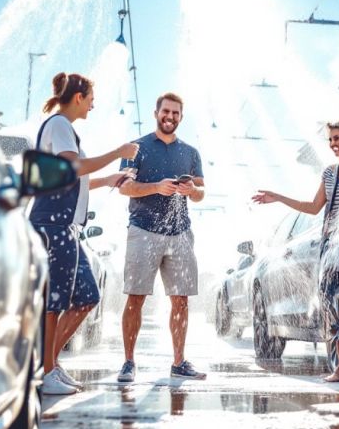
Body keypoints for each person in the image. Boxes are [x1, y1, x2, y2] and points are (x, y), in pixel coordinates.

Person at [30, 72, 139, 395]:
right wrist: (117, 150)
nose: (94, 104)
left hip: (65, 226)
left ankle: (51, 364)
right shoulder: (60, 125)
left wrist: (108, 179)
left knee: (86, 296)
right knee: (54, 303)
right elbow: (72, 168)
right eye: (91, 97)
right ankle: (47, 370)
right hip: (53, 222)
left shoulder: (62, 128)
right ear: (78, 97)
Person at [251, 120, 339, 382]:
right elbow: (313, 207)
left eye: (338, 139)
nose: (333, 144)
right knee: (331, 307)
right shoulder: (329, 173)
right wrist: (278, 197)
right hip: (331, 242)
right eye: (330, 140)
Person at [116, 92, 207, 382]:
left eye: (176, 113)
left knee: (181, 301)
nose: (170, 117)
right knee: (136, 298)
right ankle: (129, 362)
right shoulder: (136, 147)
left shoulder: (191, 152)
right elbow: (124, 188)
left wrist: (191, 190)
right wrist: (156, 187)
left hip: (180, 233)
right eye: (166, 111)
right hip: (143, 229)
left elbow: (202, 193)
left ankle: (179, 362)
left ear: (181, 116)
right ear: (157, 113)